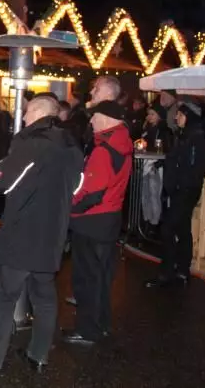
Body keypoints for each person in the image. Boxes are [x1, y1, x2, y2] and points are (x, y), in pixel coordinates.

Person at [0, 96, 84, 376]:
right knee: (45, 296)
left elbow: (3, 181)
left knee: (2, 296)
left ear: (39, 112)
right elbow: (78, 186)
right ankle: (38, 355)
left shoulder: (30, 143)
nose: (24, 118)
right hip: (54, 234)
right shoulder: (71, 145)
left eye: (27, 113)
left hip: (23, 233)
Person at [63, 99, 133, 346]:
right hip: (110, 219)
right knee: (102, 278)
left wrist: (68, 209)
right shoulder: (123, 143)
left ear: (105, 119)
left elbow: (92, 193)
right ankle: (101, 325)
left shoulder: (104, 150)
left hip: (91, 222)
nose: (91, 121)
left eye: (94, 117)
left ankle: (87, 330)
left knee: (86, 279)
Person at [145, 102, 205, 288]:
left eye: (180, 115)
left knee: (168, 229)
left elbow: (195, 167)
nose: (176, 118)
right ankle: (182, 269)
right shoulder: (183, 135)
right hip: (179, 189)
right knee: (181, 229)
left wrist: (181, 184)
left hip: (185, 190)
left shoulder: (196, 138)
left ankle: (168, 271)